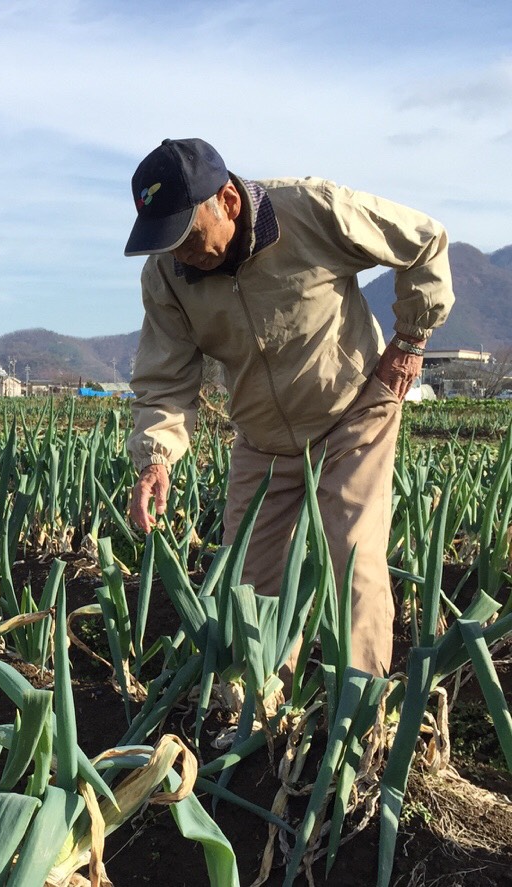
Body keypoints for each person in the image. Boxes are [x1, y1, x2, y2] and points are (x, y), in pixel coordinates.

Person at [122, 138, 454, 678]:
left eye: (187, 236)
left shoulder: (313, 209)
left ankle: (360, 716)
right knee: (248, 580)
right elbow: (165, 380)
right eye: (166, 241)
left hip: (353, 413)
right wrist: (156, 458)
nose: (180, 253)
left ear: (227, 201)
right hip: (261, 438)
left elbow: (424, 240)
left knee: (351, 562)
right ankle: (262, 709)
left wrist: (412, 338)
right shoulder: (166, 276)